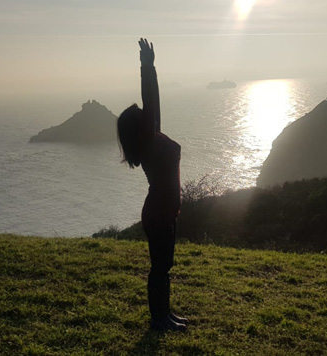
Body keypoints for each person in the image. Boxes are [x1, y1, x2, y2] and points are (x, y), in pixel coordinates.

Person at [117, 38, 188, 332]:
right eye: (144, 117)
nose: (149, 117)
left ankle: (165, 314)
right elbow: (150, 102)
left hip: (164, 212)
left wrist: (152, 69)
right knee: (159, 268)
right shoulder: (149, 143)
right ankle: (158, 319)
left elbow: (153, 106)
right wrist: (147, 66)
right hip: (158, 215)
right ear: (140, 127)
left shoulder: (153, 139)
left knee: (164, 267)